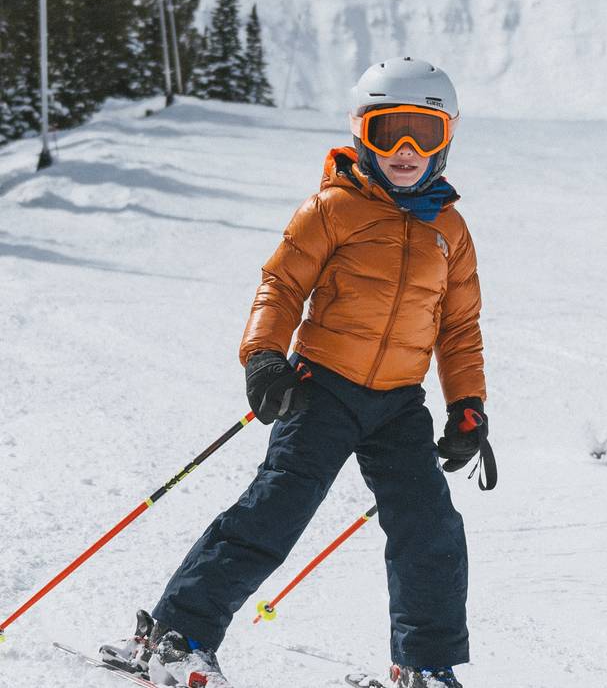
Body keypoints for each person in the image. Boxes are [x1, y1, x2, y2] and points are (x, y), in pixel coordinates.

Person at [102, 58, 491, 688]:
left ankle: (423, 666)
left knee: (430, 527)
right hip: (323, 388)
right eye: (388, 129)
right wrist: (263, 358)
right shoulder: (331, 209)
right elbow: (280, 287)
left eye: (425, 132)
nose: (406, 149)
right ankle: (179, 635)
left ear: (447, 138)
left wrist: (467, 405)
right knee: (277, 508)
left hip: (398, 403)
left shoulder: (451, 230)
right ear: (362, 133)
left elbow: (459, 328)